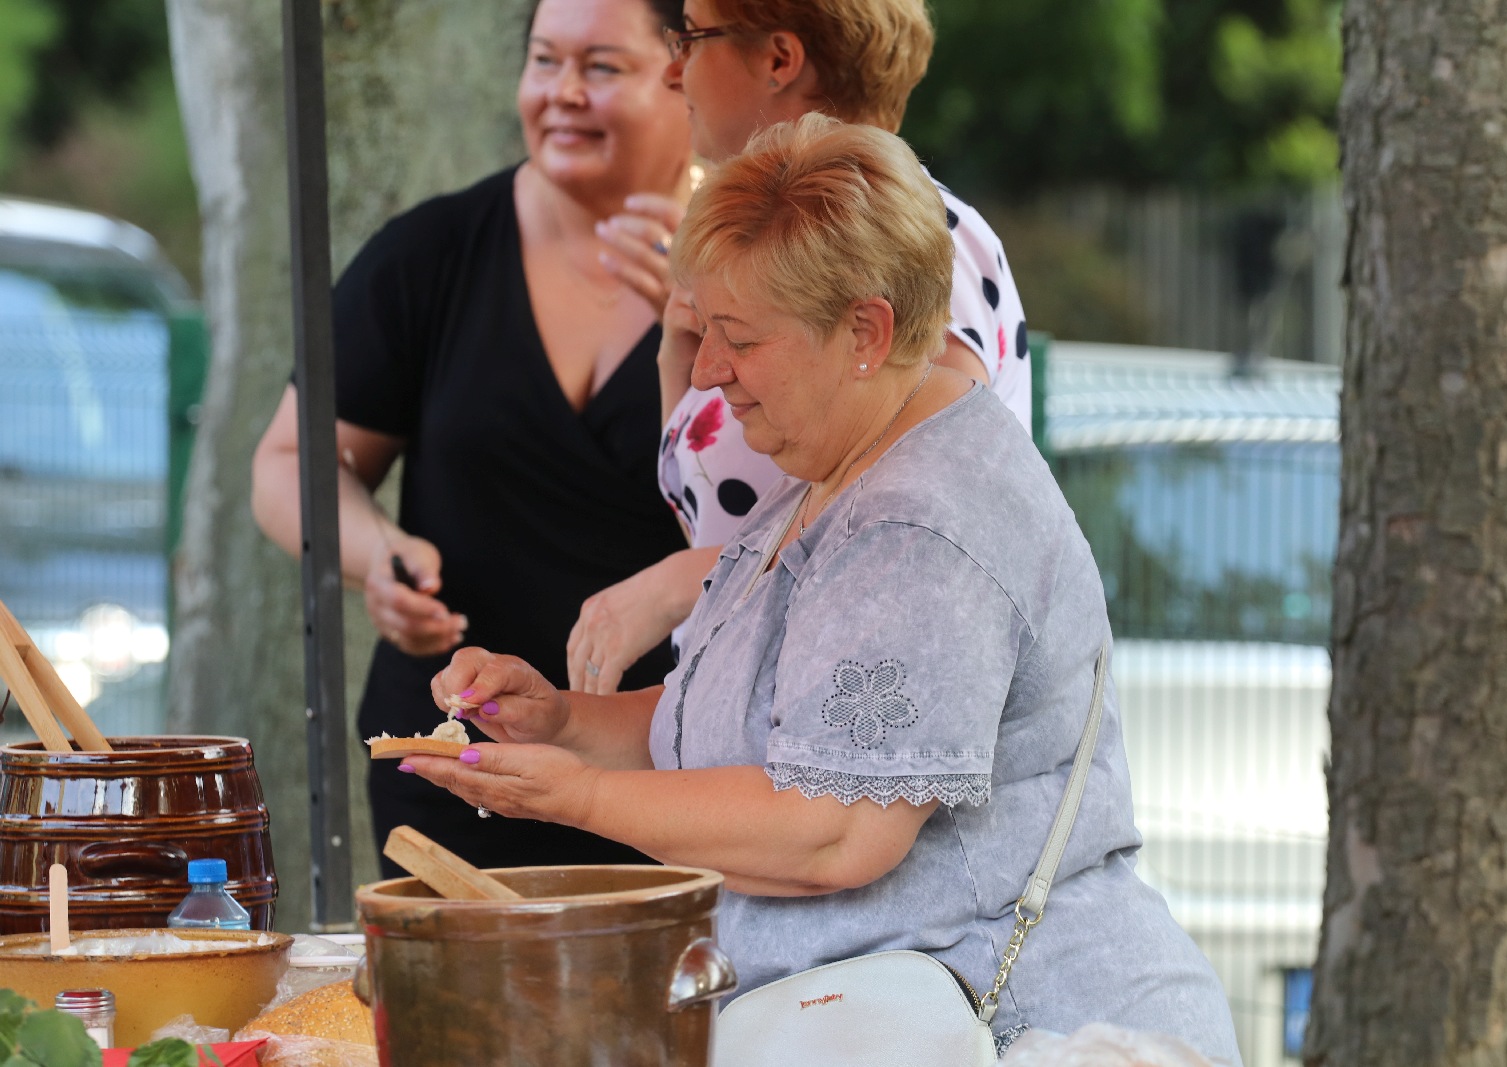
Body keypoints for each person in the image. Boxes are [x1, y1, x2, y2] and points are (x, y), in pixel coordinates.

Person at [404, 116, 1240, 1063]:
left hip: (1027, 1029)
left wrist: (578, 797)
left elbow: (832, 827)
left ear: (865, 332)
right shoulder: (839, 467)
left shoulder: (924, 520)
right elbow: (743, 734)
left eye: (739, 338)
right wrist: (558, 723)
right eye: (702, 332)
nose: (710, 372)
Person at [250, 0, 694, 876]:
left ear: (686, 77)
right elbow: (288, 463)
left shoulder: (753, 268)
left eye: (601, 67)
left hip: (674, 766)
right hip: (459, 766)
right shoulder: (431, 253)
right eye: (542, 61)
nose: (562, 93)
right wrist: (377, 553)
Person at [564, 0, 1032, 693]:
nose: (673, 70)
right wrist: (679, 361)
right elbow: (725, 506)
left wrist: (678, 584)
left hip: (840, 745)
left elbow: (922, 496)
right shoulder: (780, 248)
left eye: (691, 37)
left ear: (780, 59)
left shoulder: (920, 236)